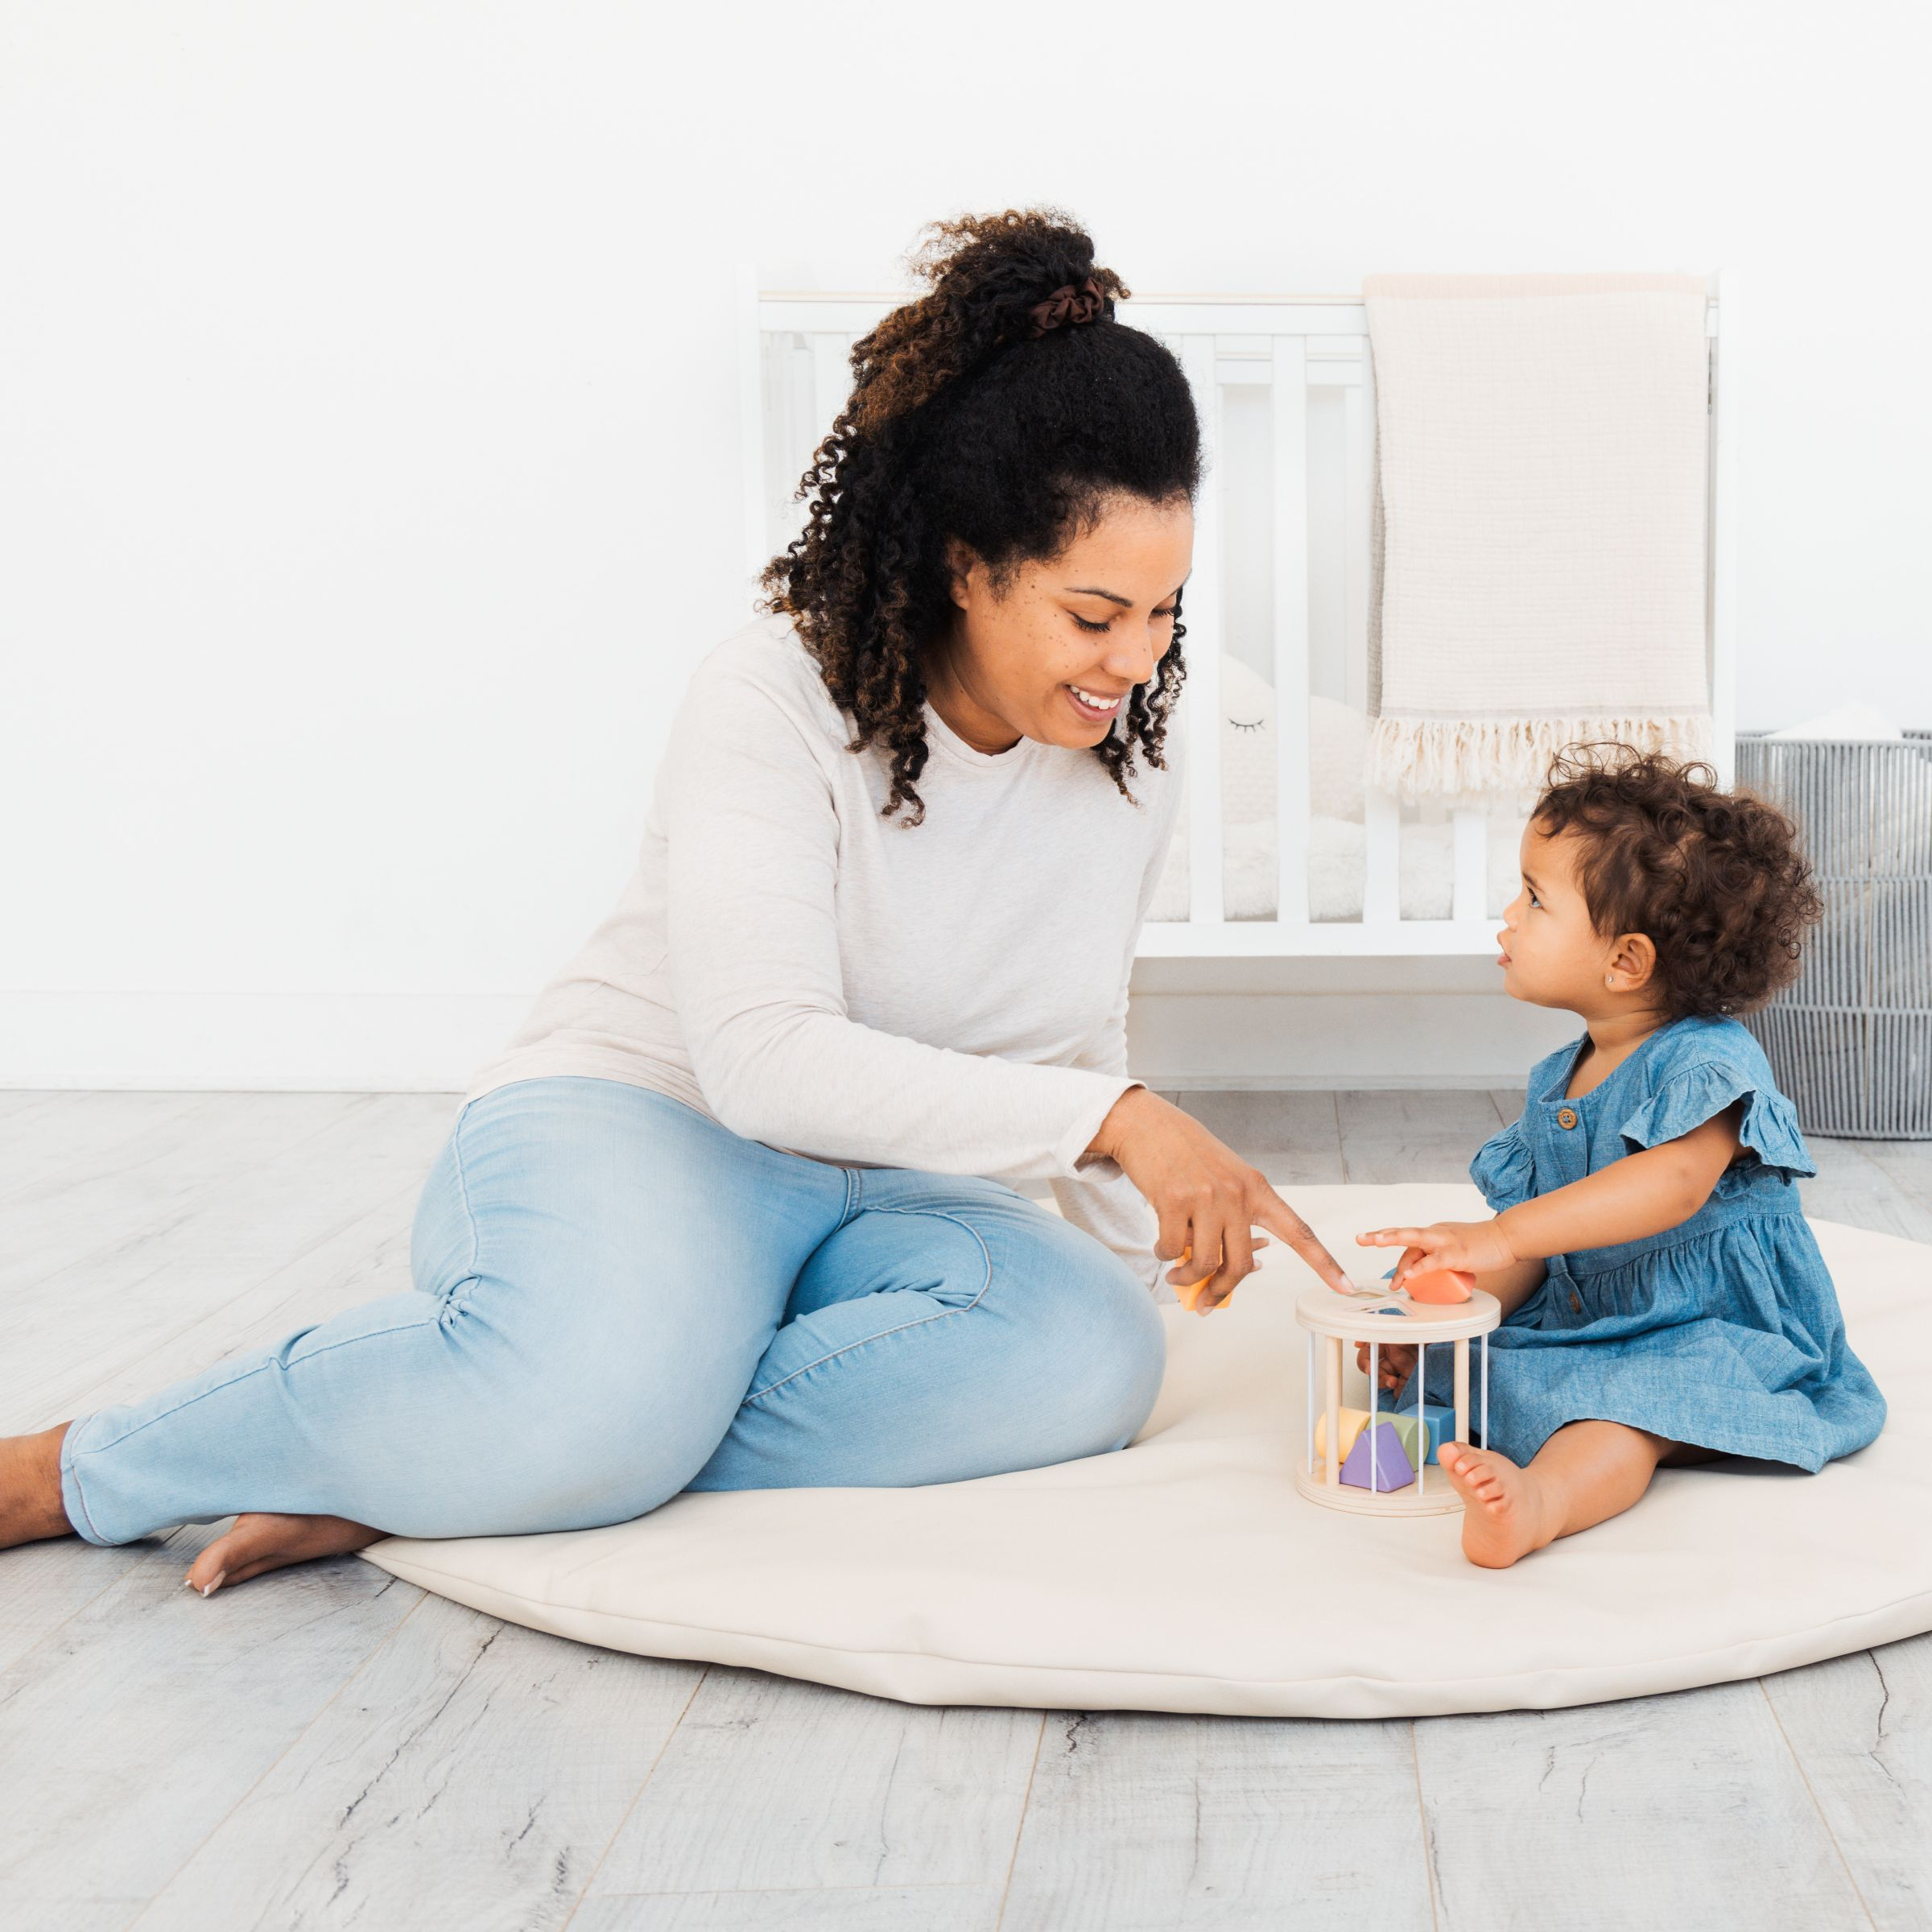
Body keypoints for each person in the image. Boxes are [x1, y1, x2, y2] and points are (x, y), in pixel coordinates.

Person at [0, 206, 1353, 1595]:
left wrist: (1138, 1241)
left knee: (1086, 1356)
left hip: (899, 1179)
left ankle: (465, 1455)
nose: (1137, 657)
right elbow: (765, 1061)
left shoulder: (1133, 742)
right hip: (655, 1116)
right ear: (966, 565)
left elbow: (1074, 1028)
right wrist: (1123, 1127)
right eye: (1093, 613)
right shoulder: (770, 697)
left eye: (1164, 610)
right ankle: (76, 1469)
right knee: (590, 1396)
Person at [1356, 744, 1886, 1568]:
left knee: (1625, 1415)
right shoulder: (1560, 1079)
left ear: (1626, 960)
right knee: (1464, 1366)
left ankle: (1541, 1504)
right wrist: (1452, 1304)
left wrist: (1503, 1235)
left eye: (1534, 901)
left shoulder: (1707, 1062)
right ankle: (1460, 1399)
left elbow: (1670, 1187)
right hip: (1601, 1316)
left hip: (1712, 1326)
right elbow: (1545, 1255)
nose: (1507, 916)